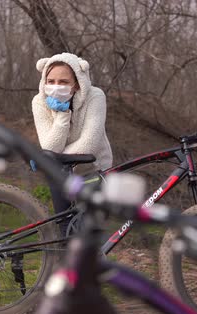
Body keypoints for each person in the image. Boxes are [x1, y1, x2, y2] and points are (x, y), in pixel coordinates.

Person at [31, 53, 113, 233]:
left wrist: (52, 157)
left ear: (76, 83)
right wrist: (62, 116)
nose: (55, 86)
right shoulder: (39, 102)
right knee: (65, 228)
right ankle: (61, 259)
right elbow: (49, 147)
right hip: (59, 173)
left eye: (63, 82)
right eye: (50, 81)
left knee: (90, 231)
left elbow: (88, 144)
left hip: (94, 170)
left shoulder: (95, 97)